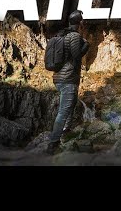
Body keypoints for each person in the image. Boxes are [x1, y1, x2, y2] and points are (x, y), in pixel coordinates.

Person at [47, 10, 89, 154]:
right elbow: (77, 57)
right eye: (82, 21)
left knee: (70, 104)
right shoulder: (74, 36)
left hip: (59, 78)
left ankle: (66, 131)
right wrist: (86, 46)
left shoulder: (61, 34)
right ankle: (53, 144)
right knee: (63, 112)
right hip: (68, 79)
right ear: (80, 23)